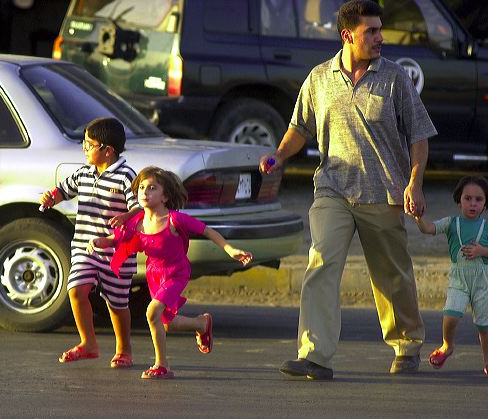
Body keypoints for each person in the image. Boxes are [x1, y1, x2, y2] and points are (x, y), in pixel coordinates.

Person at [260, 0, 437, 380]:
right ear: (347, 35)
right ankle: (316, 356)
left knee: (392, 277)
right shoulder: (319, 78)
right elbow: (300, 127)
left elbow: (420, 134)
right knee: (320, 262)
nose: (380, 37)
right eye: (370, 31)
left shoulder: (394, 78)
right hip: (333, 190)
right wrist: (277, 154)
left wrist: (415, 181)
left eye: (379, 29)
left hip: (384, 192)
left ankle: (406, 345)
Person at [88, 166, 253, 379]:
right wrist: (99, 241)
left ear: (165, 196)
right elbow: (115, 239)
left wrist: (230, 250)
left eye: (152, 188)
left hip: (176, 273)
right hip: (154, 275)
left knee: (151, 313)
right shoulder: (136, 223)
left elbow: (207, 230)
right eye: (141, 188)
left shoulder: (175, 219)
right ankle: (201, 323)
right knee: (166, 323)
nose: (144, 192)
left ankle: (162, 365)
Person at [40, 117, 141, 369]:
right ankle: (88, 344)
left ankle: (124, 349)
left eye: (89, 144)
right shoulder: (84, 173)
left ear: (107, 150)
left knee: (117, 304)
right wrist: (53, 197)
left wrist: (126, 216)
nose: (84, 149)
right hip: (85, 246)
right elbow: (65, 190)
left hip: (117, 252)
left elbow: (139, 209)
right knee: (76, 289)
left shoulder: (126, 176)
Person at [410, 176, 488, 376]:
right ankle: (447, 345)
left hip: (483, 282)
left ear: (485, 202)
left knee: (484, 326)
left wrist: (482, 251)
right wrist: (418, 216)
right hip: (458, 281)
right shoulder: (451, 223)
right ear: (458, 200)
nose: (473, 203)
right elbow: (428, 229)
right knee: (450, 317)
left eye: (478, 199)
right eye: (467, 198)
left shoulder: (486, 226)